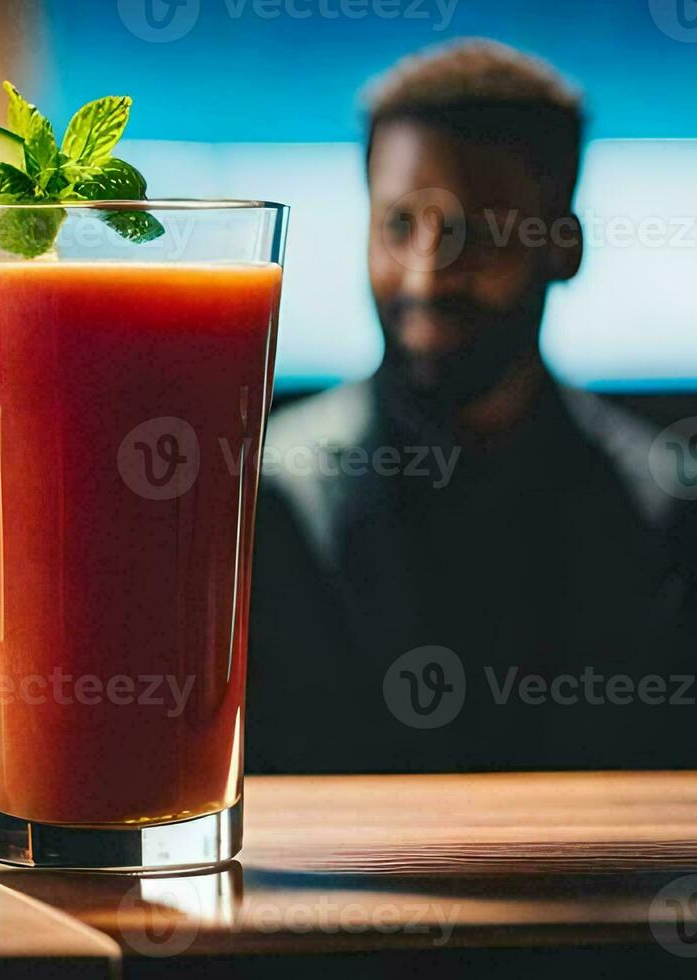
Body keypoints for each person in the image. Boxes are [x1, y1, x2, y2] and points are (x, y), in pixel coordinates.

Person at [247, 39, 697, 773]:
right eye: (399, 226)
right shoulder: (266, 504)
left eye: (478, 231)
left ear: (565, 247)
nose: (427, 272)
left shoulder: (670, 515)